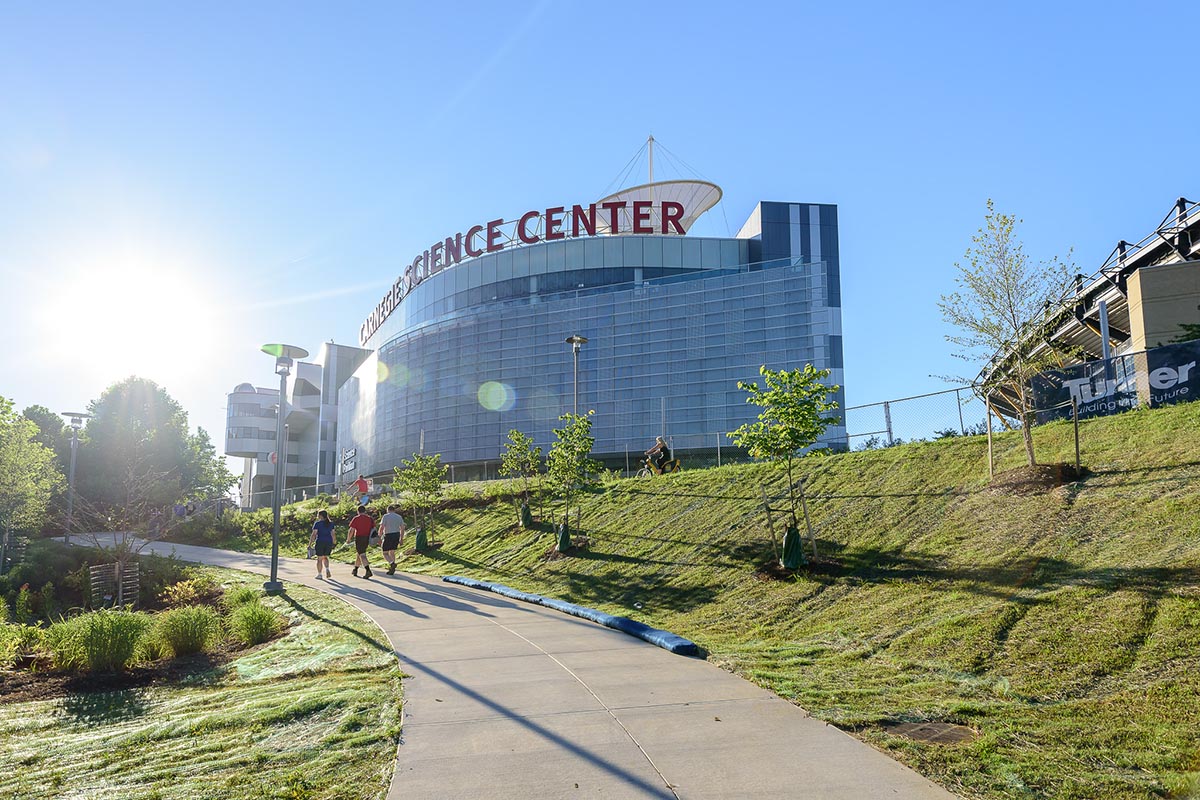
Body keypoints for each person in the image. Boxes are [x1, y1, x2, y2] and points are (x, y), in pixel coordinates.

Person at [378, 504, 407, 575]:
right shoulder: (399, 517)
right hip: (396, 534)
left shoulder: (385, 516)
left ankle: (392, 564)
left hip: (388, 535)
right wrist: (401, 538)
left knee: (385, 553)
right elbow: (402, 528)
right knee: (392, 552)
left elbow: (381, 527)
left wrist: (379, 536)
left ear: (388, 510)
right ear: (394, 510)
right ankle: (392, 569)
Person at [347, 505, 374, 578]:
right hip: (367, 538)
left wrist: (349, 539)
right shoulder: (370, 519)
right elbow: (373, 528)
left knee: (362, 555)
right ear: (365, 511)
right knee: (360, 553)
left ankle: (368, 570)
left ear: (358, 511)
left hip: (359, 538)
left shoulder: (356, 518)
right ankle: (355, 569)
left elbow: (351, 530)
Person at [310, 510, 335, 580]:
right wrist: (334, 542)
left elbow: (314, 534)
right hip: (328, 542)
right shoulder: (331, 524)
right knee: (325, 557)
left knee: (319, 559)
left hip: (320, 542)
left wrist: (310, 544)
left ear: (320, 516)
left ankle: (320, 574)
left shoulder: (317, 524)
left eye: (318, 515)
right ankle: (327, 569)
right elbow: (333, 534)